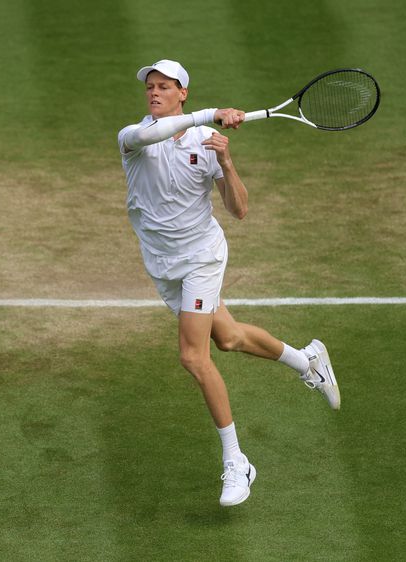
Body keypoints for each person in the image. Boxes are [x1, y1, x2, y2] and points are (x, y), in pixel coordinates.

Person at [117, 59, 340, 507]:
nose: (154, 93)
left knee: (192, 356)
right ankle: (309, 362)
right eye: (150, 87)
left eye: (165, 87)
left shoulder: (207, 143)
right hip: (162, 265)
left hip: (202, 256)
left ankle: (237, 462)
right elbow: (150, 135)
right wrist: (210, 114)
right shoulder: (132, 138)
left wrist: (227, 160)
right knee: (229, 338)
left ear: (183, 93)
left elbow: (238, 210)